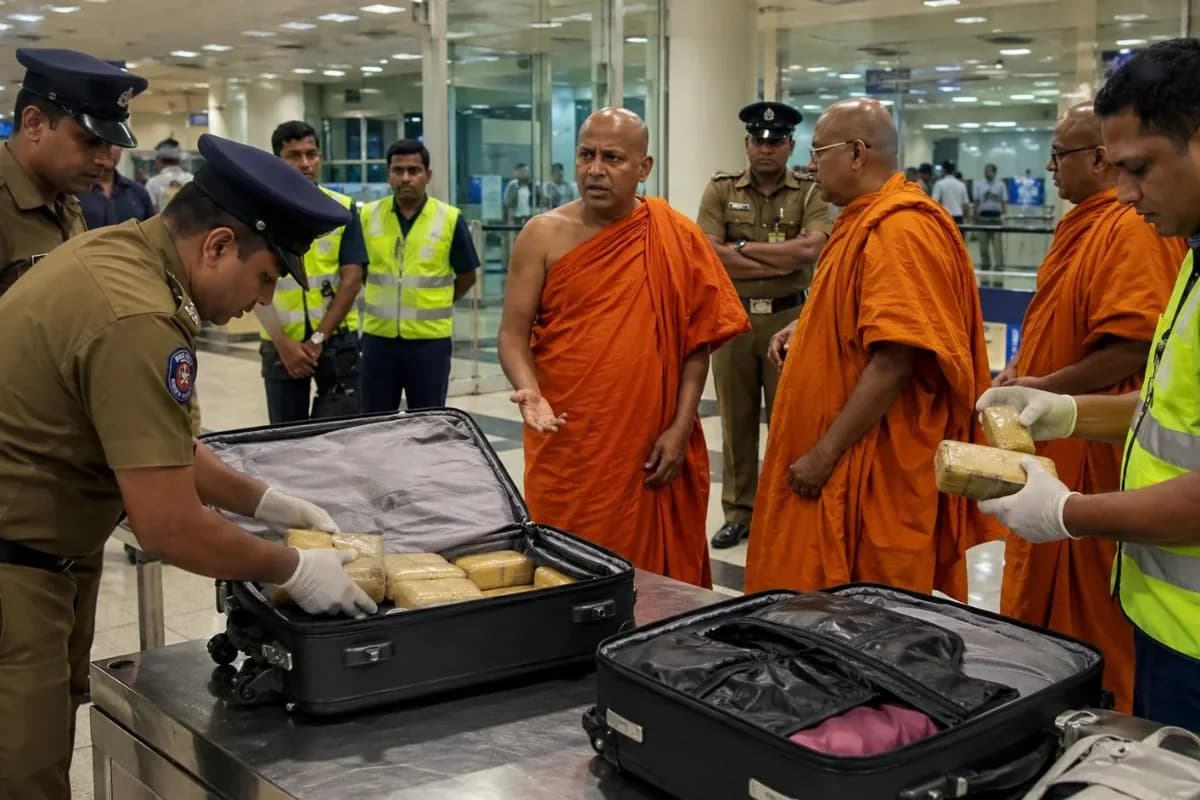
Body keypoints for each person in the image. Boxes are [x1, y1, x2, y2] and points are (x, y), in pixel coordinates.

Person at [0, 133, 377, 800]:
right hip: (15, 568)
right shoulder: (138, 316)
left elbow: (154, 442)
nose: (258, 303)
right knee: (22, 776)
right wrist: (291, 568)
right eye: (265, 278)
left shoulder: (118, 253)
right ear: (219, 246)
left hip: (41, 555)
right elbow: (169, 527)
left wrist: (266, 501)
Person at [977, 39, 1200, 732]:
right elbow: (1170, 412)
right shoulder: (1193, 259)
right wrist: (1066, 412)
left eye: (1139, 168)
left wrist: (1068, 512)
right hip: (1166, 622)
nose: (1125, 192)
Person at [744, 99, 996, 598]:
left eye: (818, 153)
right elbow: (859, 312)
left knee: (866, 613)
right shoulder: (862, 220)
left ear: (857, 153)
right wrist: (805, 324)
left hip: (866, 464)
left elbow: (895, 358)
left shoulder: (900, 228)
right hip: (839, 452)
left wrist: (824, 454)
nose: (810, 167)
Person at [498, 107, 748, 586]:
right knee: (570, 568)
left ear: (644, 167)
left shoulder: (673, 234)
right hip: (569, 436)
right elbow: (512, 332)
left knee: (653, 583)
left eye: (612, 158)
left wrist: (679, 427)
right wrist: (529, 389)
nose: (595, 169)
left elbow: (698, 343)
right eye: (585, 155)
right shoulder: (542, 234)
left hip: (649, 442)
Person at [696, 101, 832, 549]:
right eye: (759, 140)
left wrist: (742, 249)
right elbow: (709, 252)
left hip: (789, 319)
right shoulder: (720, 189)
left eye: (776, 141)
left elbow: (809, 251)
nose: (767, 148)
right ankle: (738, 512)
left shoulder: (810, 191)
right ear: (748, 144)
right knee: (735, 423)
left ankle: (783, 511)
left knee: (787, 421)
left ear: (791, 145)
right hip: (733, 320)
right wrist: (779, 257)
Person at [0, 48, 147, 296]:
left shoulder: (66, 202)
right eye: (89, 141)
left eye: (109, 145)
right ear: (34, 124)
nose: (104, 159)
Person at [255, 121, 367, 424]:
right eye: (294, 155)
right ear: (278, 159)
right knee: (285, 435)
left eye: (311, 154)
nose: (305, 163)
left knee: (341, 433)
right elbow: (254, 283)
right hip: (281, 342)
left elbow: (352, 279)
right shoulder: (259, 212)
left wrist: (318, 338)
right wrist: (283, 345)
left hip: (336, 340)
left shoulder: (341, 208)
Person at [358, 139, 479, 411]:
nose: (406, 178)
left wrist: (436, 301)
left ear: (428, 175)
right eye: (398, 171)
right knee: (374, 422)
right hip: (379, 340)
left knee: (428, 421)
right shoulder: (367, 215)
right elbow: (360, 269)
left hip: (429, 344)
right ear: (388, 175)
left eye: (414, 171)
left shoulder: (448, 218)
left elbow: (467, 275)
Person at [77, 143, 154, 229]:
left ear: (121, 148)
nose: (108, 149)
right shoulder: (75, 191)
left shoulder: (138, 192)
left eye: (114, 144)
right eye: (102, 142)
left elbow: (150, 234)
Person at [973, 163, 1007, 284]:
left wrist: (1004, 215)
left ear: (994, 172)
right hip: (983, 217)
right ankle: (985, 264)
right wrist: (974, 214)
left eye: (989, 171)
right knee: (983, 244)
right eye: (985, 170)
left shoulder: (1001, 185)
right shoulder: (979, 185)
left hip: (996, 217)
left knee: (997, 243)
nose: (986, 173)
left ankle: (999, 265)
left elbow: (1004, 201)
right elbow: (976, 201)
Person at [144, 136, 194, 213]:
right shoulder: (191, 180)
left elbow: (151, 212)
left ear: (158, 160)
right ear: (179, 160)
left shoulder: (153, 183)